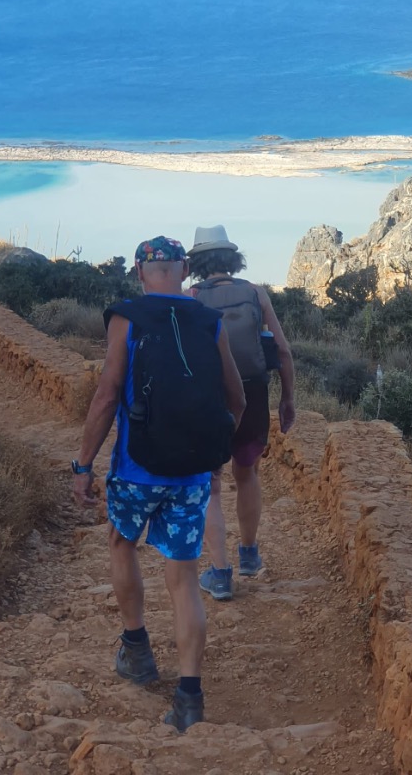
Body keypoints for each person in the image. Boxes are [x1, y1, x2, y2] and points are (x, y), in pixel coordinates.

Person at [71, 236, 246, 732]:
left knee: (121, 543)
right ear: (184, 269)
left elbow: (106, 397)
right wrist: (213, 458)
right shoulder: (209, 321)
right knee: (184, 579)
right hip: (191, 475)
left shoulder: (127, 317)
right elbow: (238, 402)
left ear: (140, 272)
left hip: (135, 471)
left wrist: (83, 465)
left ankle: (137, 652)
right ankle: (190, 697)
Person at [187, 225, 296, 601]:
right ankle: (248, 555)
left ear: (197, 261)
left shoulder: (192, 297)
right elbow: (282, 351)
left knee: (211, 484)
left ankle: (219, 575)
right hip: (252, 393)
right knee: (247, 474)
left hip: (210, 399)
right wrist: (287, 399)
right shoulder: (255, 293)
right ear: (233, 259)